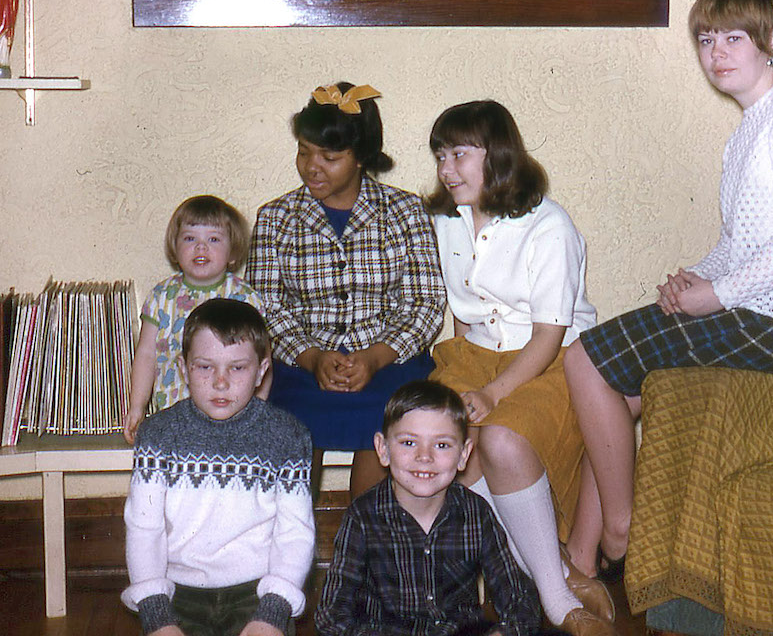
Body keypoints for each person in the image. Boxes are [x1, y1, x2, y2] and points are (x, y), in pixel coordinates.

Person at [563, 0, 773, 585]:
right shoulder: (751, 126)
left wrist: (713, 298)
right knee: (615, 393)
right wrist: (695, 277)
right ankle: (578, 564)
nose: (716, 54)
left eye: (733, 39)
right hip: (758, 307)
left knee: (586, 359)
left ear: (770, 39)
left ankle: (621, 529)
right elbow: (739, 241)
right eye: (705, 40)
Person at [426, 100, 615, 636]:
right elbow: (464, 319)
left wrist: (491, 395)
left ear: (499, 155)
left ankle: (555, 604)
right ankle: (555, 576)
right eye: (441, 155)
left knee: (502, 441)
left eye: (460, 154)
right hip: (477, 356)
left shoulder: (547, 224)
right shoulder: (446, 221)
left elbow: (550, 334)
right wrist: (464, 379)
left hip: (547, 359)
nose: (446, 169)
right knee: (448, 445)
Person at [247, 82, 446, 500]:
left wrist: (376, 356)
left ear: (360, 159)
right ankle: (290, 545)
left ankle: (365, 540)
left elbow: (425, 303)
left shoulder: (405, 212)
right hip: (301, 367)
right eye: (304, 151)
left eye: (329, 157)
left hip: (390, 363)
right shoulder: (276, 218)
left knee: (393, 418)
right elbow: (265, 306)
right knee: (287, 422)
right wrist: (311, 356)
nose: (311, 166)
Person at [122, 298, 315, 636]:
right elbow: (144, 529)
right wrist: (156, 615)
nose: (221, 382)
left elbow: (295, 533)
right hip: (178, 594)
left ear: (261, 370)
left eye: (237, 368)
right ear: (184, 369)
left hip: (257, 593)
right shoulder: (157, 435)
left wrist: (273, 611)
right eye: (205, 367)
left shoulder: (288, 436)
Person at [316, 379, 543, 636]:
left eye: (442, 445)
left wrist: (504, 632)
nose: (425, 457)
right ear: (383, 449)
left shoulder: (476, 513)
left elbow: (520, 598)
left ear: (464, 455)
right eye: (409, 443)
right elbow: (331, 617)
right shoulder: (363, 516)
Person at [124, 195, 265, 444]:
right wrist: (137, 407)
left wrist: (259, 411)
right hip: (173, 414)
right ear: (175, 247)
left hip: (232, 417)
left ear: (232, 251)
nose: (201, 248)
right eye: (190, 239)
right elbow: (146, 355)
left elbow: (262, 360)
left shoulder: (246, 298)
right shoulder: (161, 296)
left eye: (213, 239)